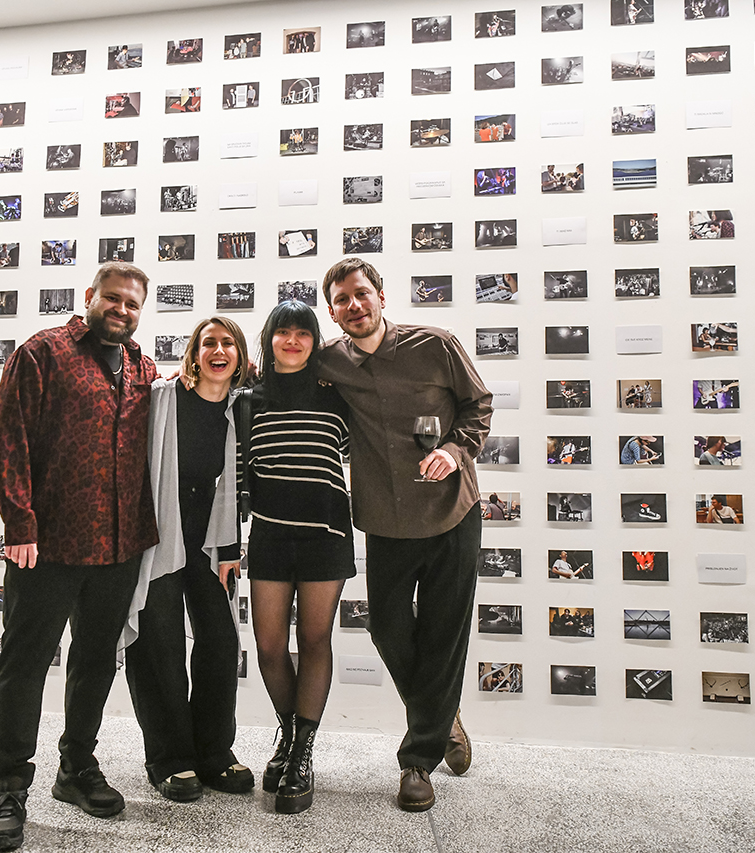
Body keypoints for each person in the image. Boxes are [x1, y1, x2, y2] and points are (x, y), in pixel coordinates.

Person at [0, 262, 159, 852]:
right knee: (24, 663)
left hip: (119, 545)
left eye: (132, 304)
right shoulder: (42, 353)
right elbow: (8, 439)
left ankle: (76, 766)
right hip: (47, 544)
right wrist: (19, 523)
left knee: (95, 661)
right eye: (113, 299)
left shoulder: (141, 366)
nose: (122, 310)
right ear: (90, 297)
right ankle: (9, 789)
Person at [317, 258, 492, 812]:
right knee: (389, 629)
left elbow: (478, 405)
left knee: (444, 632)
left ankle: (417, 762)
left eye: (361, 294)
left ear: (381, 297)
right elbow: (278, 367)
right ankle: (441, 714)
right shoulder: (329, 360)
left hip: (452, 512)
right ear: (332, 312)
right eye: (342, 299)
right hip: (386, 520)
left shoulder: (436, 344)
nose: (354, 305)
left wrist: (454, 451)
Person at [122, 317, 252, 803]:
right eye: (208, 343)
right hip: (158, 534)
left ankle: (214, 753)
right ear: (194, 354)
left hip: (208, 539)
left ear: (240, 356)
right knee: (160, 644)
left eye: (228, 343)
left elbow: (232, 487)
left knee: (220, 641)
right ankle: (169, 758)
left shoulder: (239, 409)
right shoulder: (162, 397)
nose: (218, 351)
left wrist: (229, 549)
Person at [244, 301, 354, 815]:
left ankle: (301, 754)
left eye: (303, 333)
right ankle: (288, 735)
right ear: (269, 339)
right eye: (283, 332)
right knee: (269, 647)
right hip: (269, 535)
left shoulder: (337, 397)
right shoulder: (249, 400)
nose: (292, 340)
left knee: (313, 640)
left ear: (315, 341)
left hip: (325, 535)